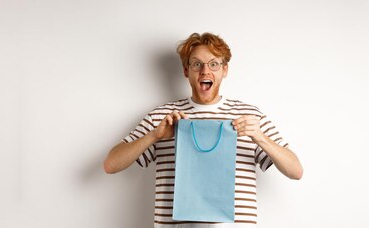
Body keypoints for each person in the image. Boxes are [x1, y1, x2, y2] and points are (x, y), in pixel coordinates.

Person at [103, 32, 303, 227]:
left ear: (225, 70)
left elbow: (296, 171)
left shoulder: (249, 115)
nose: (205, 71)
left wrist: (260, 137)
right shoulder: (163, 117)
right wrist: (155, 135)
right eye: (197, 64)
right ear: (186, 71)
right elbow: (111, 164)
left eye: (214, 64)